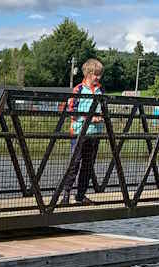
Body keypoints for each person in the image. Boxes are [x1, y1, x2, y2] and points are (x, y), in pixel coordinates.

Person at [61, 58, 104, 206]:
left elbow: (104, 109)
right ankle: (65, 195)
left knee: (88, 165)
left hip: (95, 133)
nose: (98, 78)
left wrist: (101, 117)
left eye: (99, 75)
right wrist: (90, 118)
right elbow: (71, 110)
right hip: (79, 132)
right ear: (88, 73)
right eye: (96, 75)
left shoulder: (100, 90)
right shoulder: (78, 89)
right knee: (74, 164)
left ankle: (80, 195)